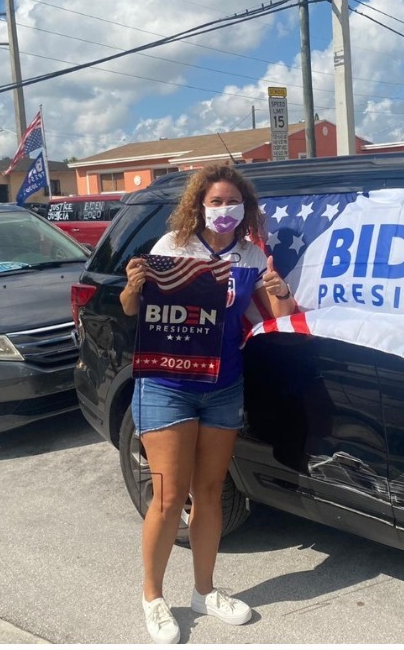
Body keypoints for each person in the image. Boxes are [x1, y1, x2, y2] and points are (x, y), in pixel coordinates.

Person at [121, 164, 296, 643]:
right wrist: (133, 287)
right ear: (198, 206)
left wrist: (281, 292)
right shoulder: (171, 248)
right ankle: (153, 598)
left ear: (246, 209)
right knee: (170, 496)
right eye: (215, 202)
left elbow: (279, 314)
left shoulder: (251, 255)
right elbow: (133, 309)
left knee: (212, 490)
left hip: (223, 386)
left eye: (232, 202)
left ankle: (204, 591)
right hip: (166, 385)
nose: (224, 210)